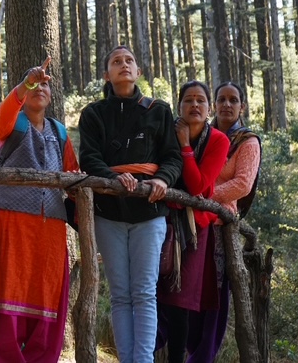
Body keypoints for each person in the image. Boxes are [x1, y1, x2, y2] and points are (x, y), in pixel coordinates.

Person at [78, 45, 182, 363]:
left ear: (138, 72)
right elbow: (89, 158)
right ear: (106, 75)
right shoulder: (93, 114)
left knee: (145, 292)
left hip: (149, 211)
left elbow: (173, 156)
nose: (123, 65)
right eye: (116, 61)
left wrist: (163, 179)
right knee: (121, 294)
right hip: (108, 212)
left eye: (129, 61)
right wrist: (112, 177)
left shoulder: (159, 110)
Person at [0, 56, 79, 362]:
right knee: (7, 291)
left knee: (47, 295)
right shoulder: (11, 123)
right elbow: (5, 112)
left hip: (50, 229)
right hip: (10, 222)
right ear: (22, 92)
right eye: (33, 84)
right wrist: (26, 83)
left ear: (52, 96)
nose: (40, 88)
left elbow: (72, 174)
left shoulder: (59, 131)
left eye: (45, 85)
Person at [185, 81, 261, 363]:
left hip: (220, 226)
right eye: (221, 99)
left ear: (242, 106)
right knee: (186, 291)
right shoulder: (202, 135)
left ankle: (202, 357)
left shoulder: (247, 141)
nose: (227, 105)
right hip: (190, 222)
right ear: (214, 105)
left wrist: (201, 194)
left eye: (233, 100)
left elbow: (242, 184)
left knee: (213, 297)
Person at [155, 81, 229, 363]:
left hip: (194, 229)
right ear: (179, 106)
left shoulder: (218, 140)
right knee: (152, 295)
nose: (195, 105)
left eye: (201, 100)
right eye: (188, 100)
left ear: (209, 108)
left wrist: (185, 145)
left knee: (180, 303)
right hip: (160, 221)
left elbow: (198, 187)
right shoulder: (166, 132)